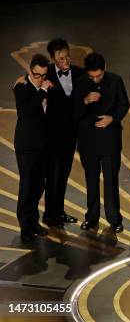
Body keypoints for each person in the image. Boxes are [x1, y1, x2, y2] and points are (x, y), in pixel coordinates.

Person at [74, 52, 129, 233]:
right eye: (92, 76)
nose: (95, 80)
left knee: (111, 180)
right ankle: (91, 217)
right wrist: (85, 100)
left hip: (110, 139)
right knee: (91, 180)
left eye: (99, 75)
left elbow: (124, 105)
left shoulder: (115, 80)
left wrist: (111, 118)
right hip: (88, 141)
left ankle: (114, 219)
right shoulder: (82, 82)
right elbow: (73, 111)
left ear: (105, 68)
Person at [43, 38, 85, 228]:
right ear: (52, 58)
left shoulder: (78, 73)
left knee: (64, 175)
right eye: (61, 59)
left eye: (67, 57)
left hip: (71, 136)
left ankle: (58, 212)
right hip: (52, 138)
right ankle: (49, 215)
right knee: (52, 176)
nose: (66, 61)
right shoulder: (47, 75)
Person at [14, 54, 52, 242]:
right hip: (27, 146)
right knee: (27, 185)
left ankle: (34, 221)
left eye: (44, 75)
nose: (41, 79)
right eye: (37, 75)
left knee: (39, 185)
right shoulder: (21, 87)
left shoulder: (46, 85)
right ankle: (25, 225)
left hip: (43, 145)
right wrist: (43, 91)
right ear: (30, 71)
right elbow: (27, 111)